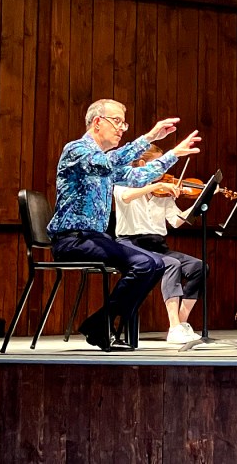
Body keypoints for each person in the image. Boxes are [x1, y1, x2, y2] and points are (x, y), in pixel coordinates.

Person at [47, 99, 201, 350]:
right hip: (71, 239)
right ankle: (102, 325)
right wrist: (149, 137)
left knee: (156, 263)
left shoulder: (105, 161)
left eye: (123, 123)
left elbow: (138, 176)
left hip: (94, 238)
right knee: (143, 263)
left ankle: (101, 323)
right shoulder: (76, 150)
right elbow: (107, 164)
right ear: (98, 122)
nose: (121, 128)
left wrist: (174, 154)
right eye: (117, 121)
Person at [113, 145, 206, 344]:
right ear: (142, 164)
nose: (163, 170)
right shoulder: (123, 183)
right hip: (131, 245)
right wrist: (155, 187)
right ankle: (174, 327)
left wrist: (198, 205)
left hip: (157, 246)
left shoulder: (163, 192)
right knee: (171, 264)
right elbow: (126, 197)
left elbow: (176, 221)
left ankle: (181, 323)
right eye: (158, 164)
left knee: (198, 266)